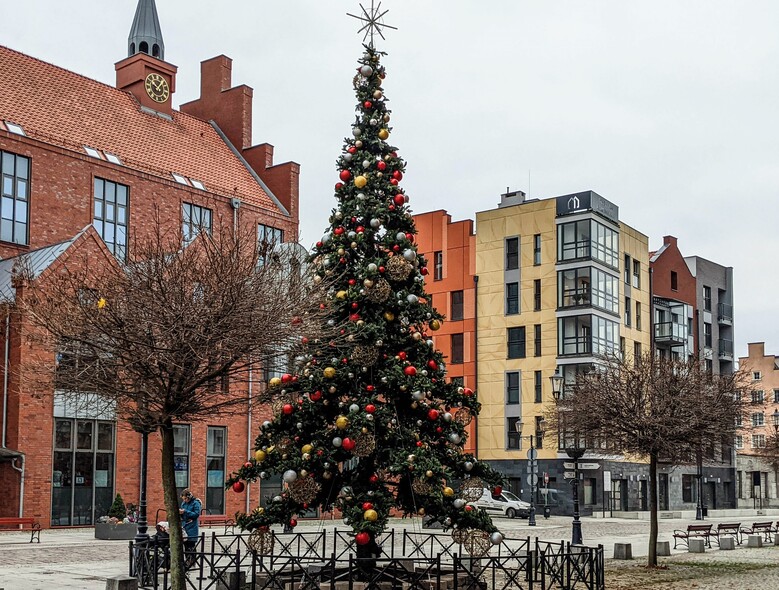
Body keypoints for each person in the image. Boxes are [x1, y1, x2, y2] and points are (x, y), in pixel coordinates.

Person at [179, 489, 201, 568]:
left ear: (189, 497)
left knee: (191, 545)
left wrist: (185, 512)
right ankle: (187, 561)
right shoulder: (184, 504)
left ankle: (192, 562)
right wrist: (181, 513)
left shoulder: (196, 503)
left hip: (192, 527)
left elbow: (196, 514)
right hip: (185, 526)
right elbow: (183, 514)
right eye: (183, 499)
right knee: (185, 545)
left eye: (185, 498)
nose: (184, 500)